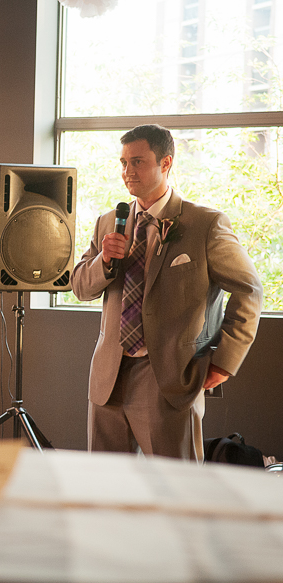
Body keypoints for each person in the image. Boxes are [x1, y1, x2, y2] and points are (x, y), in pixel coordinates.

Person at [72, 124, 263, 461]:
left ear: (165, 163)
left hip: (170, 378)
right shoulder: (108, 222)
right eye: (123, 162)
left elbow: (249, 290)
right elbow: (80, 287)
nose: (127, 172)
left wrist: (224, 362)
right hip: (108, 377)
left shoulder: (204, 223)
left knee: (177, 490)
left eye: (138, 162)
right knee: (104, 488)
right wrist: (104, 260)